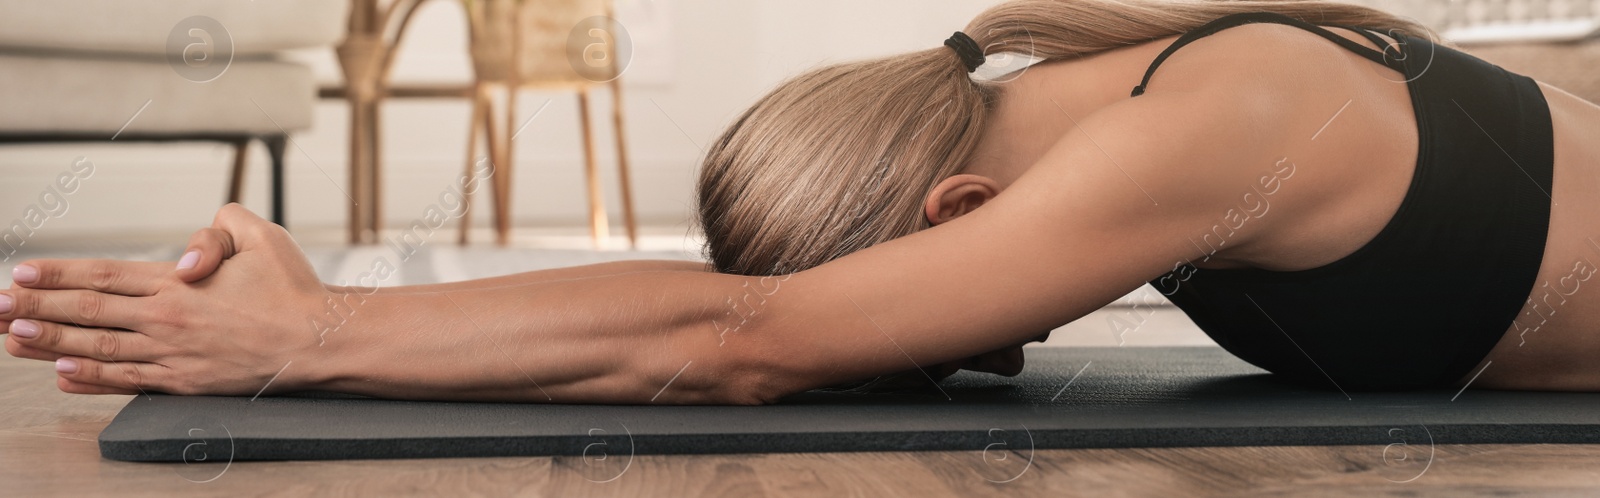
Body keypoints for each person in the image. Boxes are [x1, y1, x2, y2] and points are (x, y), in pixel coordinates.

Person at [4, 0, 1599, 403]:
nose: (968, 345)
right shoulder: (1139, 91)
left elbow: (741, 337)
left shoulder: (1201, 120)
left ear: (957, 202)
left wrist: (322, 327)